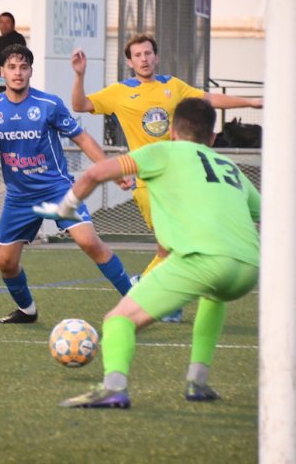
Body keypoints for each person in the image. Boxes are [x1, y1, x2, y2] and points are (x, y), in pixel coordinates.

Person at [35, 98, 260, 408]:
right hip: (248, 268)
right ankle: (197, 381)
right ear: (211, 138)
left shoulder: (162, 151)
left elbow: (94, 174)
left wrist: (66, 207)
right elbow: (268, 212)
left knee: (118, 321)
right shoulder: (229, 167)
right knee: (214, 296)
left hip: (202, 261)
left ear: (172, 134)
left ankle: (113, 387)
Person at [70, 33, 263, 322]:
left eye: (148, 53)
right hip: (149, 182)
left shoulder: (173, 86)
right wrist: (80, 75)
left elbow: (208, 99)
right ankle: (147, 294)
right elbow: (81, 105)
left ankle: (157, 295)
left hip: (181, 179)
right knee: (174, 243)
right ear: (130, 61)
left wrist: (249, 101)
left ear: (156, 57)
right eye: (138, 55)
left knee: (177, 244)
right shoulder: (120, 91)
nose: (144, 59)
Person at [0, 44, 132, 324]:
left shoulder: (49, 104)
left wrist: (111, 169)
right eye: (12, 67)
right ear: (2, 72)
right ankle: (27, 310)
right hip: (19, 198)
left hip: (57, 191)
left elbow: (82, 138)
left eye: (23, 67)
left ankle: (135, 303)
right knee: (6, 263)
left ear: (31, 71)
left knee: (89, 242)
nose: (18, 73)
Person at [0, 12, 27, 77]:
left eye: (7, 22)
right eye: (1, 22)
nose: (4, 25)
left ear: (13, 25)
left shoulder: (18, 39)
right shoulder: (0, 39)